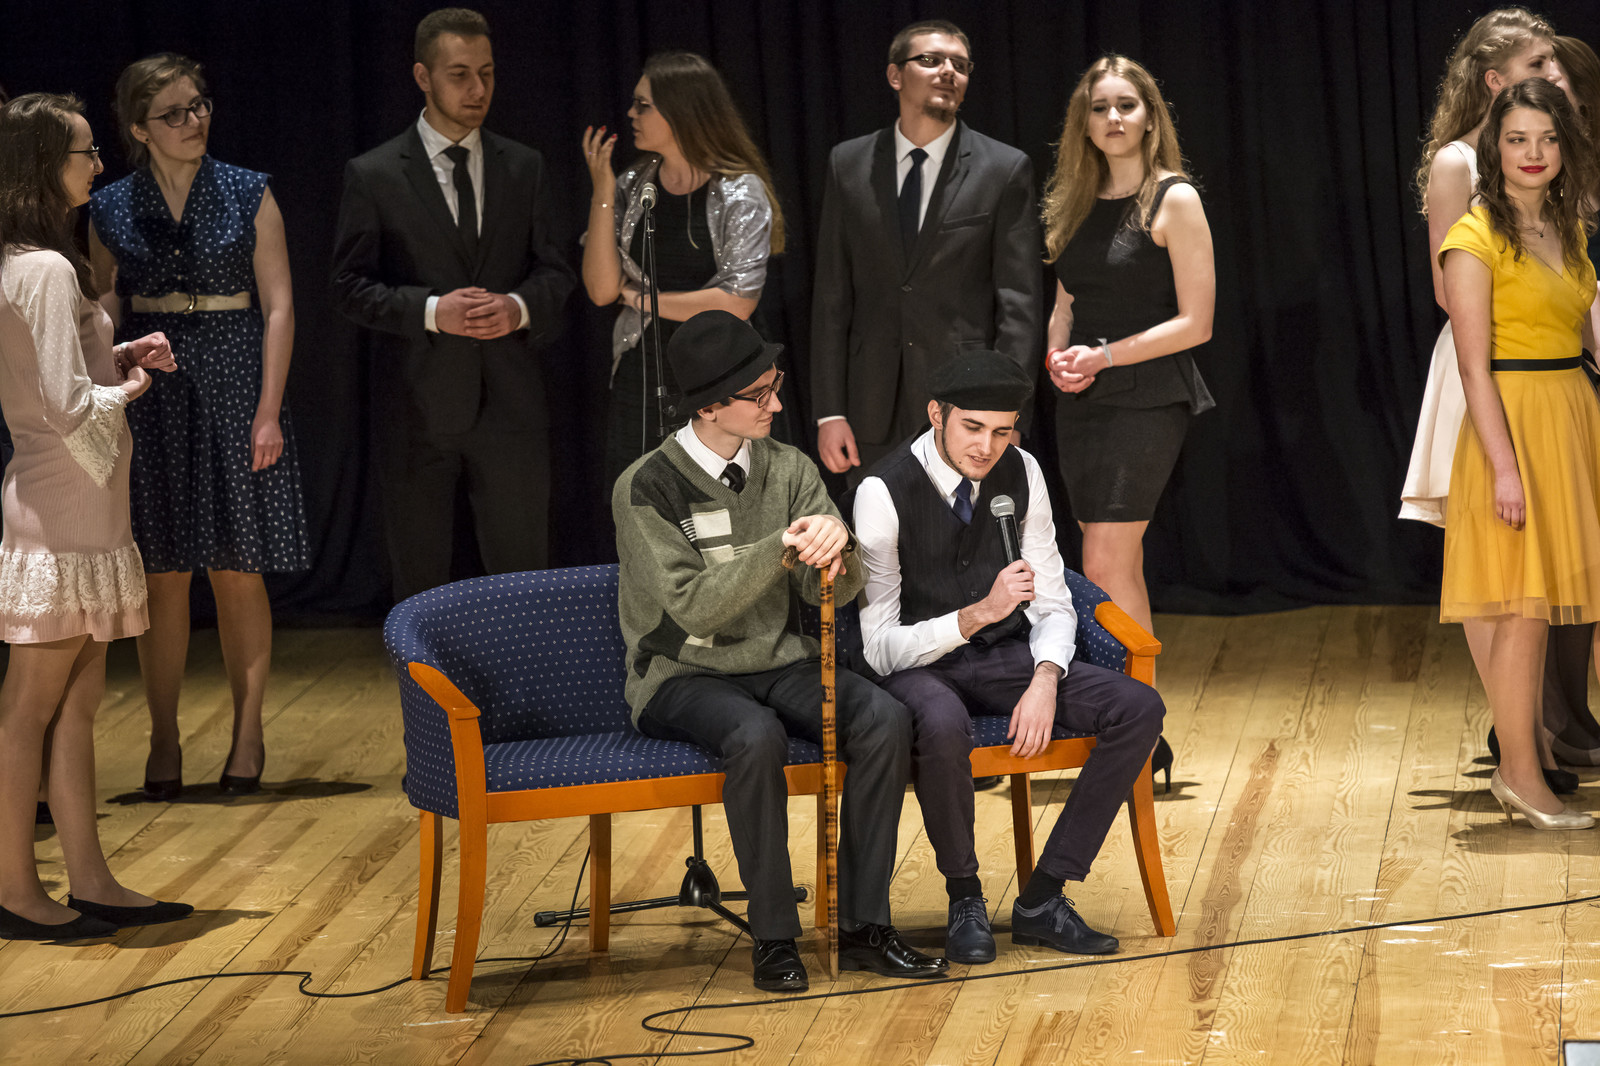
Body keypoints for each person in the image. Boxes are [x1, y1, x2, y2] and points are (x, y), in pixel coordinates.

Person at [614, 309, 947, 992]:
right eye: (758, 394)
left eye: (776, 385)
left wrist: (837, 548)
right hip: (684, 674)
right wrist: (784, 546)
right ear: (708, 406)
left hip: (781, 660)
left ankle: (864, 926)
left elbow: (840, 592)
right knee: (754, 734)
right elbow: (695, 607)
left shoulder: (789, 467)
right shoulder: (645, 486)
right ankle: (773, 936)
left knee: (884, 719)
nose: (776, 404)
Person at [853, 350, 1165, 961]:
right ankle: (964, 895)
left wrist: (1046, 678)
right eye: (972, 428)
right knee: (942, 724)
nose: (986, 448)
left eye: (1002, 432)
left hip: (1005, 656)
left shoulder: (1023, 471)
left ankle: (1044, 897)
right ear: (936, 414)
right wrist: (978, 614)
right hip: (919, 664)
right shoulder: (882, 491)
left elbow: (1053, 599)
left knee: (1138, 707)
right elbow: (879, 648)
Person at [88, 53, 310, 800]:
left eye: (200, 105)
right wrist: (105, 385)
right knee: (163, 573)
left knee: (238, 568)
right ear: (138, 129)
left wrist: (269, 411)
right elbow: (105, 304)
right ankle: (163, 736)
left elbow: (279, 304)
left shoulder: (249, 190)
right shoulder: (112, 205)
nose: (194, 121)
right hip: (155, 387)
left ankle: (248, 735)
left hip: (235, 374)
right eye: (175, 113)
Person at [0, 92, 190, 940]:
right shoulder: (43, 268)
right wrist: (130, 386)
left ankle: (91, 878)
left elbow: (52, 378)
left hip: (78, 498)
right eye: (86, 152)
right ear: (47, 164)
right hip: (64, 503)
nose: (99, 165)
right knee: (31, 709)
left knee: (76, 705)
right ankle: (14, 888)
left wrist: (111, 357)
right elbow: (63, 406)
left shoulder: (28, 262)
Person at [1401, 12, 1591, 789]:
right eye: (1539, 62)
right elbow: (1453, 289)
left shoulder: (1554, 169)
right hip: (1485, 362)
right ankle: (1519, 747)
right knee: (1494, 565)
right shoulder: (1458, 163)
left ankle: (1542, 732)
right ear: (1494, 79)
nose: (1556, 71)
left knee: (1542, 566)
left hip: (1549, 365)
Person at [331, 7, 575, 601]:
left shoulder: (524, 165)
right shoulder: (376, 173)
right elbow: (348, 286)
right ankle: (426, 670)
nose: (477, 89)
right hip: (416, 406)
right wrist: (430, 310)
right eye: (459, 74)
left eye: (486, 73)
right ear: (423, 76)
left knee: (523, 577)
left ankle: (523, 668)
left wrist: (518, 307)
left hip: (512, 403)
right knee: (419, 580)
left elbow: (555, 271)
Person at [1042, 55, 1212, 785]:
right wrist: (1056, 357)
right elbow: (1065, 302)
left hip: (1146, 394)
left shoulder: (1174, 199)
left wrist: (1105, 356)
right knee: (1109, 562)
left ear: (1149, 117)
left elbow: (1198, 322)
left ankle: (1131, 730)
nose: (1113, 118)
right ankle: (1142, 734)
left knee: (1106, 562)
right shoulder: (1075, 202)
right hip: (1083, 397)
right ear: (1083, 124)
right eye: (1100, 107)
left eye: (1127, 105)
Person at [1439, 77, 1600, 830]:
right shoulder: (1474, 237)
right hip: (1514, 425)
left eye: (1547, 138)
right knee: (1521, 613)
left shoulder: (1567, 229)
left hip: (1572, 417)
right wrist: (1505, 468)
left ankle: (1529, 770)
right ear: (1494, 149)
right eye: (1516, 139)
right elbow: (1474, 368)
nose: (1533, 153)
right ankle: (1520, 775)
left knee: (1550, 608)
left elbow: (1582, 334)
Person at [811, 19, 1041, 480]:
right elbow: (832, 296)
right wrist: (829, 412)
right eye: (931, 60)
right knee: (871, 522)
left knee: (959, 526)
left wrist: (1005, 413)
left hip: (966, 405)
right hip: (868, 403)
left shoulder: (1003, 168)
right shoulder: (848, 163)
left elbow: (1019, 305)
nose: (948, 71)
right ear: (895, 75)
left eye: (961, 65)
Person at [581, 52, 782, 485]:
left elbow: (736, 303)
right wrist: (603, 191)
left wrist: (638, 299)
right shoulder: (632, 185)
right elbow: (600, 290)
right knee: (641, 494)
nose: (631, 114)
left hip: (720, 373)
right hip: (643, 368)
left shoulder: (739, 190)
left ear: (681, 110)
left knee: (717, 497)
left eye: (643, 105)